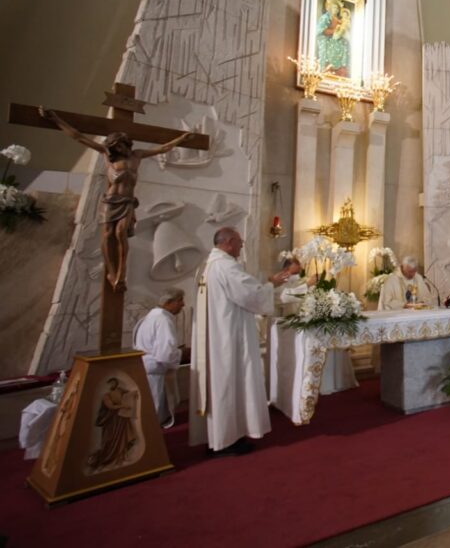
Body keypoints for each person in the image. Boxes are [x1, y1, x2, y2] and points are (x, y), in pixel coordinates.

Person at [39, 107, 195, 291]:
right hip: (111, 200)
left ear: (126, 143)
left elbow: (163, 148)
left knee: (121, 233)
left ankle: (121, 272)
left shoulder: (137, 155)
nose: (118, 148)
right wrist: (55, 119)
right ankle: (112, 271)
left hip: (127, 201)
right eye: (115, 147)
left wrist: (181, 139)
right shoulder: (108, 156)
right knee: (107, 235)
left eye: (120, 145)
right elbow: (78, 137)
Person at [190, 227, 291, 456]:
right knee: (229, 382)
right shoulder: (226, 266)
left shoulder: (206, 266)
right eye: (240, 242)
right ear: (229, 242)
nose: (242, 246)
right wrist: (272, 283)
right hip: (227, 338)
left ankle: (217, 435)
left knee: (220, 384)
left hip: (216, 336)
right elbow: (250, 294)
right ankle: (226, 440)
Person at [133, 288, 185, 428]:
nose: (183, 304)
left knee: (152, 406)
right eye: (179, 300)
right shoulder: (163, 320)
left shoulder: (150, 316)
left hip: (146, 367)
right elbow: (165, 352)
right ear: (168, 302)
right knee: (154, 411)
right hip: (155, 369)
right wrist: (181, 354)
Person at [316, 0, 351, 76]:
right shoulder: (325, 17)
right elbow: (321, 30)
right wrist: (333, 32)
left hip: (337, 39)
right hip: (327, 40)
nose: (336, 9)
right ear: (330, 7)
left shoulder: (338, 19)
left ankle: (341, 69)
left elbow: (343, 27)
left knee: (344, 43)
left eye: (338, 8)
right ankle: (326, 69)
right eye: (334, 7)